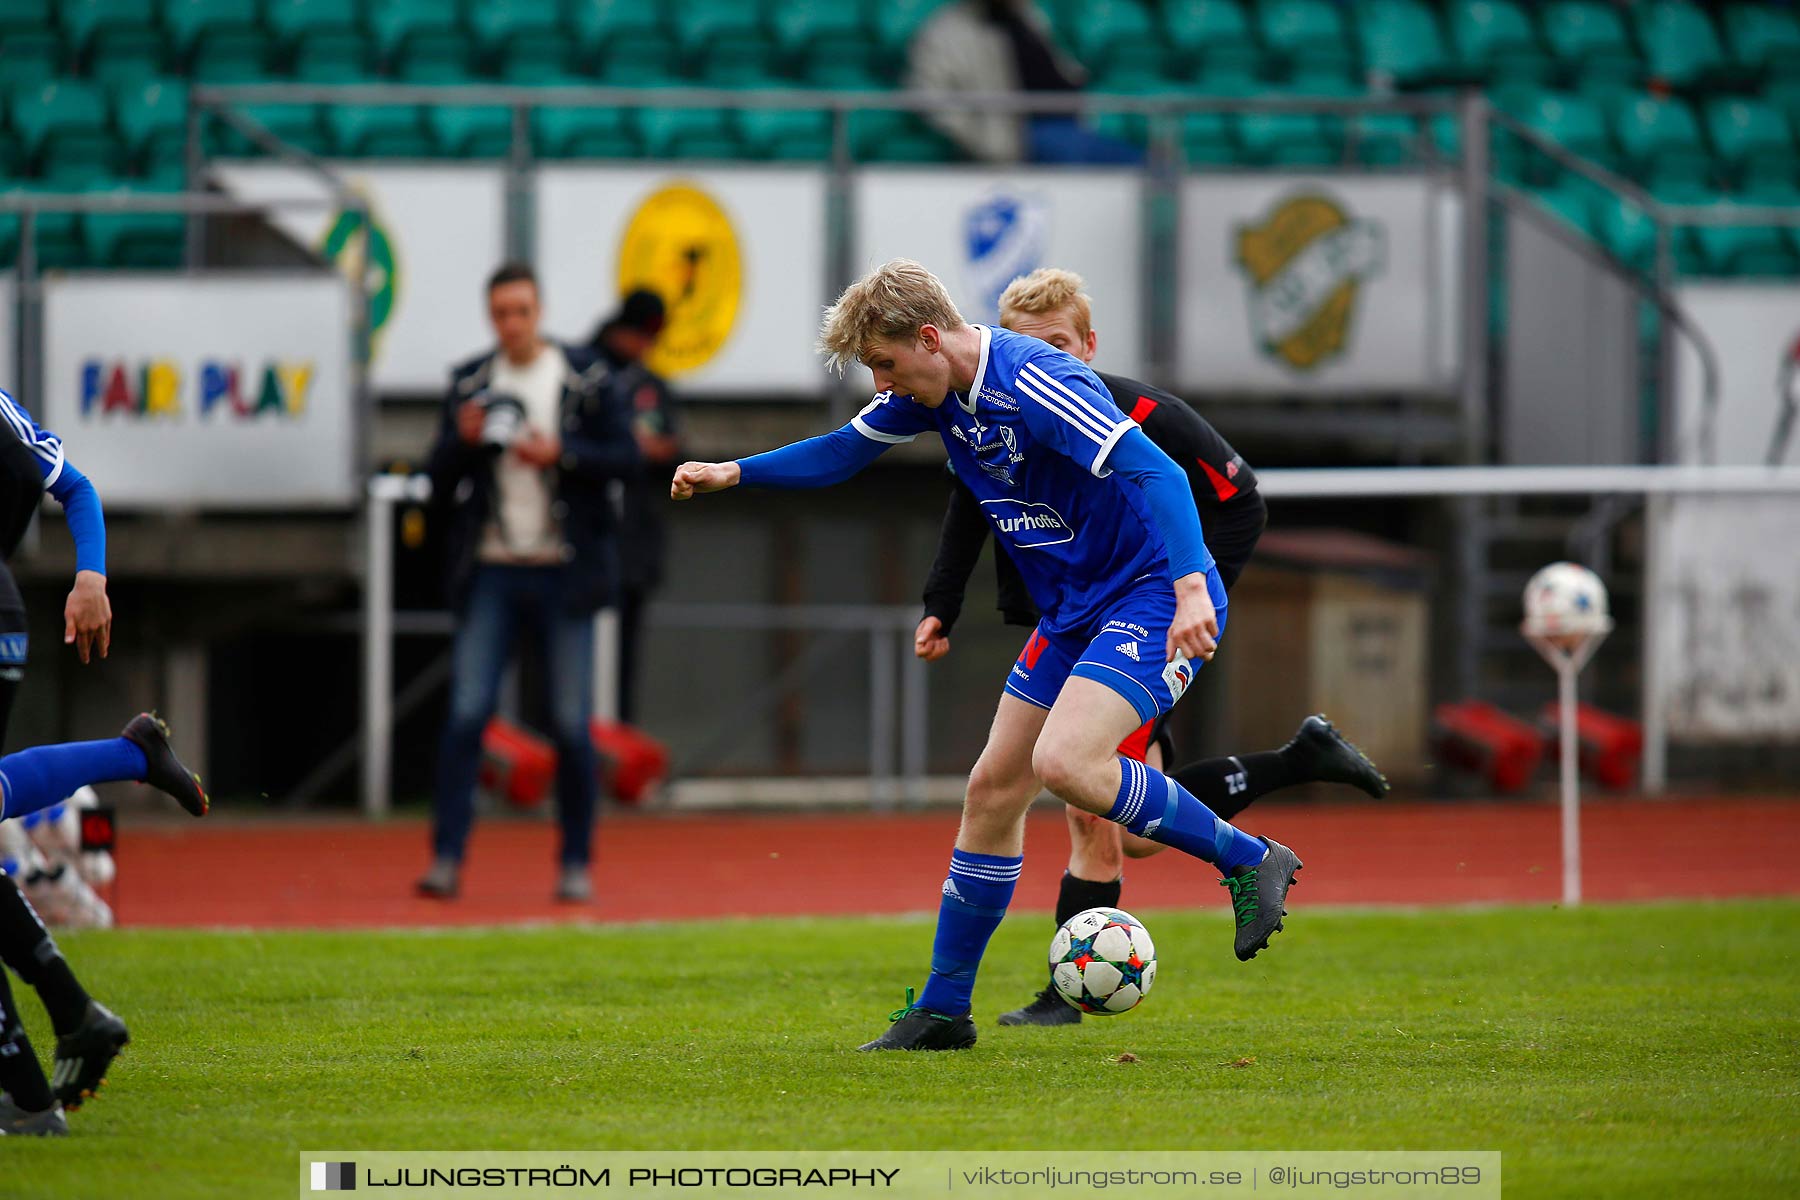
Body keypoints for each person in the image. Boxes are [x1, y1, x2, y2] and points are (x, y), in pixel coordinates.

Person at [674, 259, 1301, 1052]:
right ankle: (943, 1009)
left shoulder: (1033, 380)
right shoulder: (930, 395)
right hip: (1076, 607)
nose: (882, 383)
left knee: (1067, 763)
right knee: (992, 791)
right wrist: (733, 470)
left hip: (1148, 593)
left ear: (929, 339)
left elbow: (1161, 471)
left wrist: (1186, 590)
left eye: (886, 364)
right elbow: (841, 451)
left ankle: (1251, 859)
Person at [914, 268, 1389, 1027]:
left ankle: (1059, 1000)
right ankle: (1297, 762)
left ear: (1090, 345)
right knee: (1111, 821)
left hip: (1145, 619)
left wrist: (1189, 595)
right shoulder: (998, 408)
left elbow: (1240, 500)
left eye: (1059, 344)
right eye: (1025, 344)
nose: (1042, 357)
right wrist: (942, 602)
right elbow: (969, 501)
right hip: (1069, 619)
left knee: (1086, 797)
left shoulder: (1138, 409)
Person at [0, 394, 208, 1136]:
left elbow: (74, 485)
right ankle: (45, 1062)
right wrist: (89, 575)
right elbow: (69, 482)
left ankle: (35, 1080)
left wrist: (94, 578)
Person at [420, 263, 640, 904]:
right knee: (465, 715)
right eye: (500, 313)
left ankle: (576, 862)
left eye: (520, 311)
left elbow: (625, 458)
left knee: (572, 725)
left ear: (538, 311)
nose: (511, 324)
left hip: (562, 572)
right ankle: (447, 859)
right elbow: (435, 481)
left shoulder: (584, 375)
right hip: (491, 567)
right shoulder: (470, 381)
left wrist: (562, 453)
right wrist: (461, 444)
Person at [590, 290, 682, 725]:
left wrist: (656, 450)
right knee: (573, 661)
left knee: (624, 661)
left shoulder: (650, 385)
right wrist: (625, 448)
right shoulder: (586, 372)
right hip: (582, 544)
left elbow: (675, 450)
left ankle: (617, 754)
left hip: (634, 547)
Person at [907, 0, 1143, 165]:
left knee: (1149, 161)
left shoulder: (1030, 15)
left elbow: (1064, 70)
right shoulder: (946, 30)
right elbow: (928, 96)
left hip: (1072, 124)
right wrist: (983, 140)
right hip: (1019, 135)